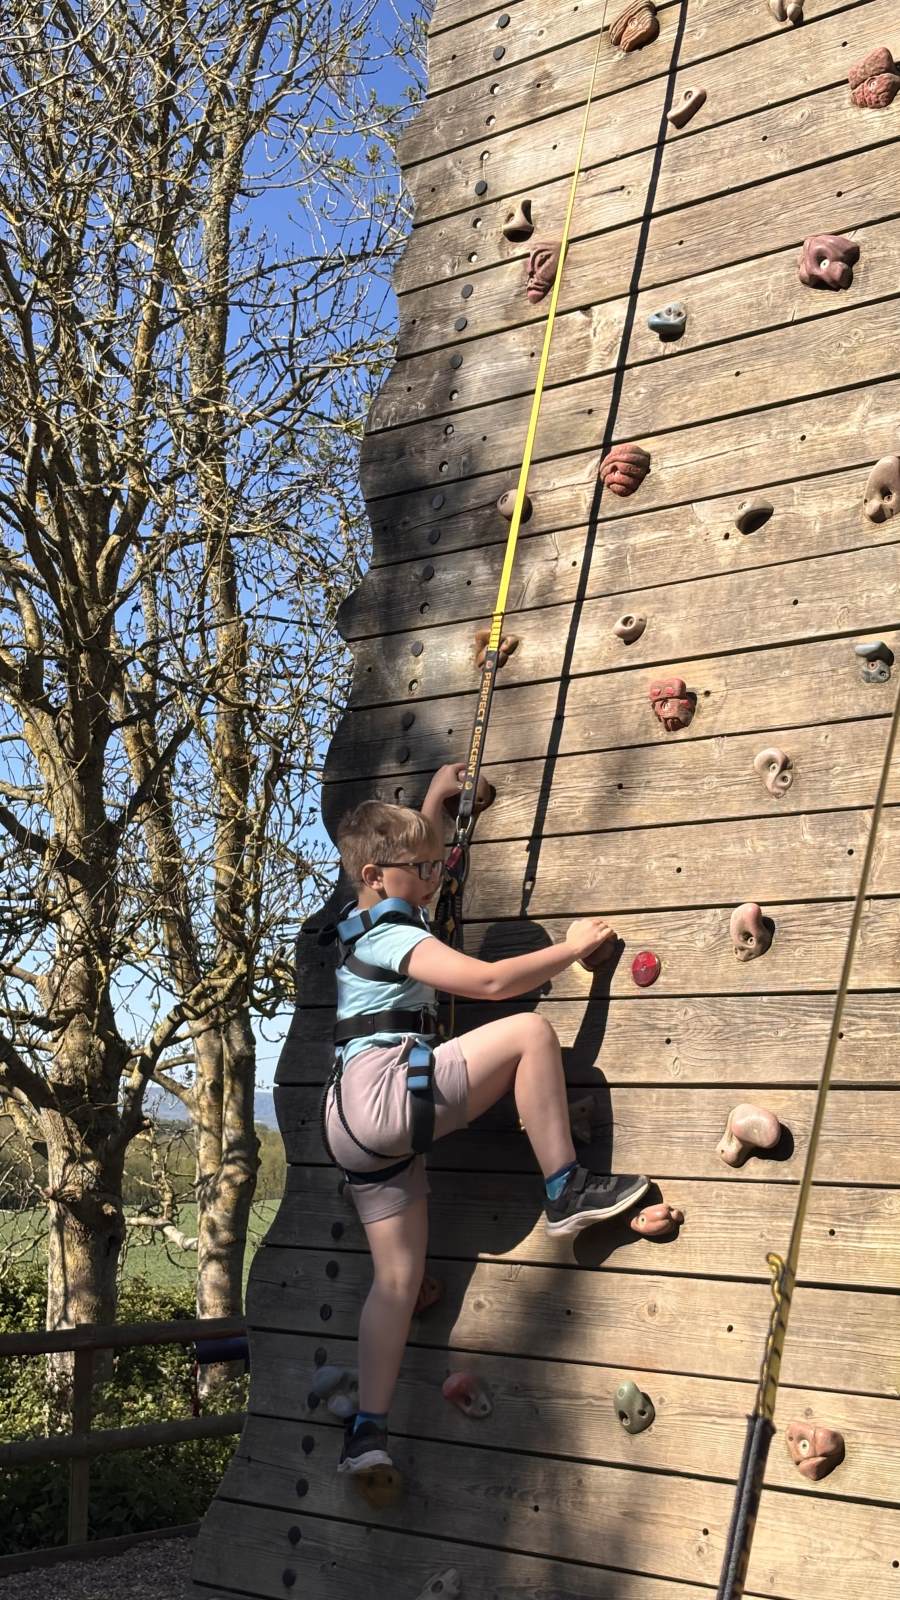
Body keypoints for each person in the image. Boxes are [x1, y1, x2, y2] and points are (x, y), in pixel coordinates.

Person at [323, 764, 649, 1478]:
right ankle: (565, 1188)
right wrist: (572, 949)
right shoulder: (392, 932)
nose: (433, 878)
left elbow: (413, 867)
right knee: (529, 1033)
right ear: (376, 875)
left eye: (434, 865)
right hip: (387, 1096)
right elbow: (492, 982)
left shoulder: (362, 918)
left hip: (349, 1120)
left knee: (396, 1281)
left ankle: (367, 1435)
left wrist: (435, 808)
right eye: (421, 870)